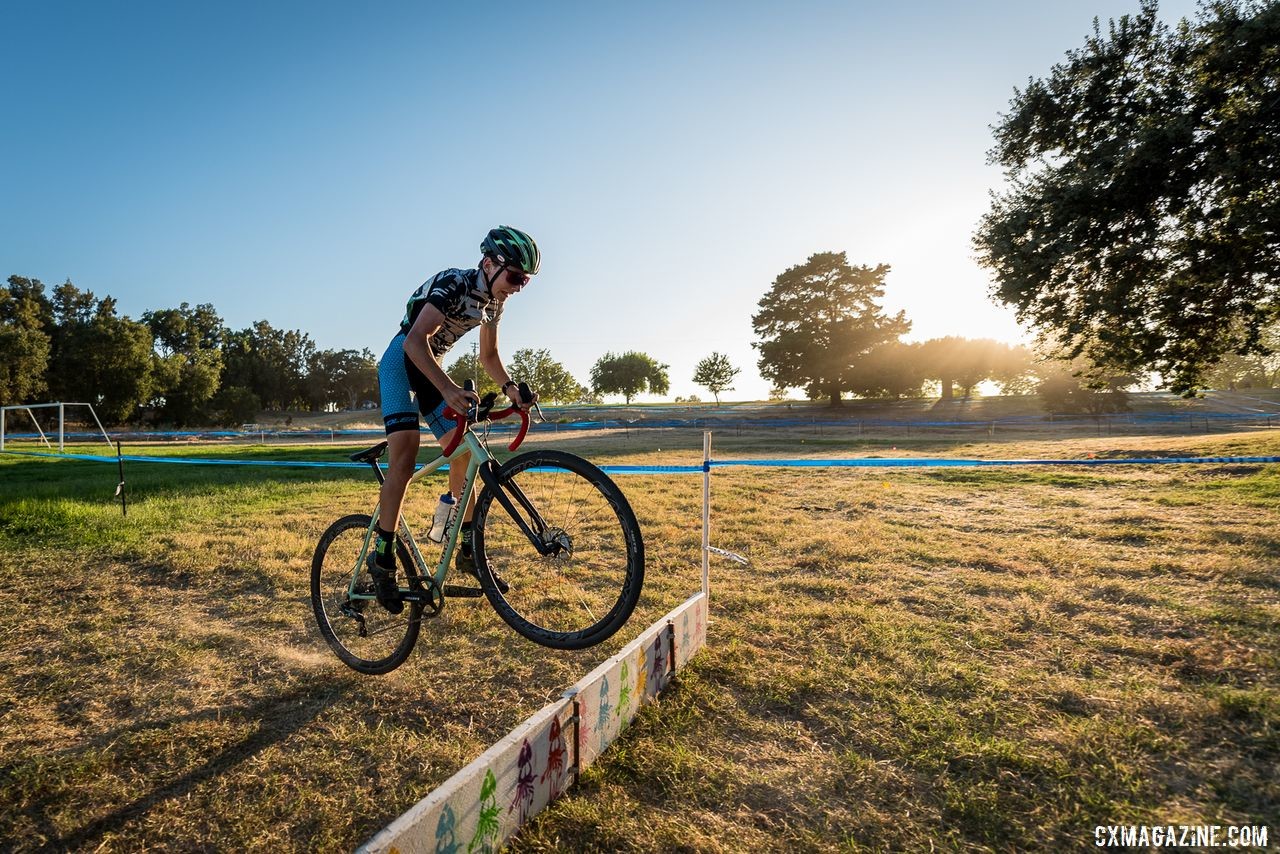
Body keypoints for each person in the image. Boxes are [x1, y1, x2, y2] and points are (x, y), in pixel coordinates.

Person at [369, 225, 541, 613]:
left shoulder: (495, 303)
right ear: (488, 263)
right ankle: (382, 557)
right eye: (514, 276)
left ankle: (467, 550)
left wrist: (513, 390)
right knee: (405, 456)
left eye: (525, 281)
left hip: (432, 366)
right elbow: (415, 341)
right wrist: (447, 389)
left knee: (464, 453)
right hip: (403, 358)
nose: (517, 286)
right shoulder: (455, 283)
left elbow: (490, 358)